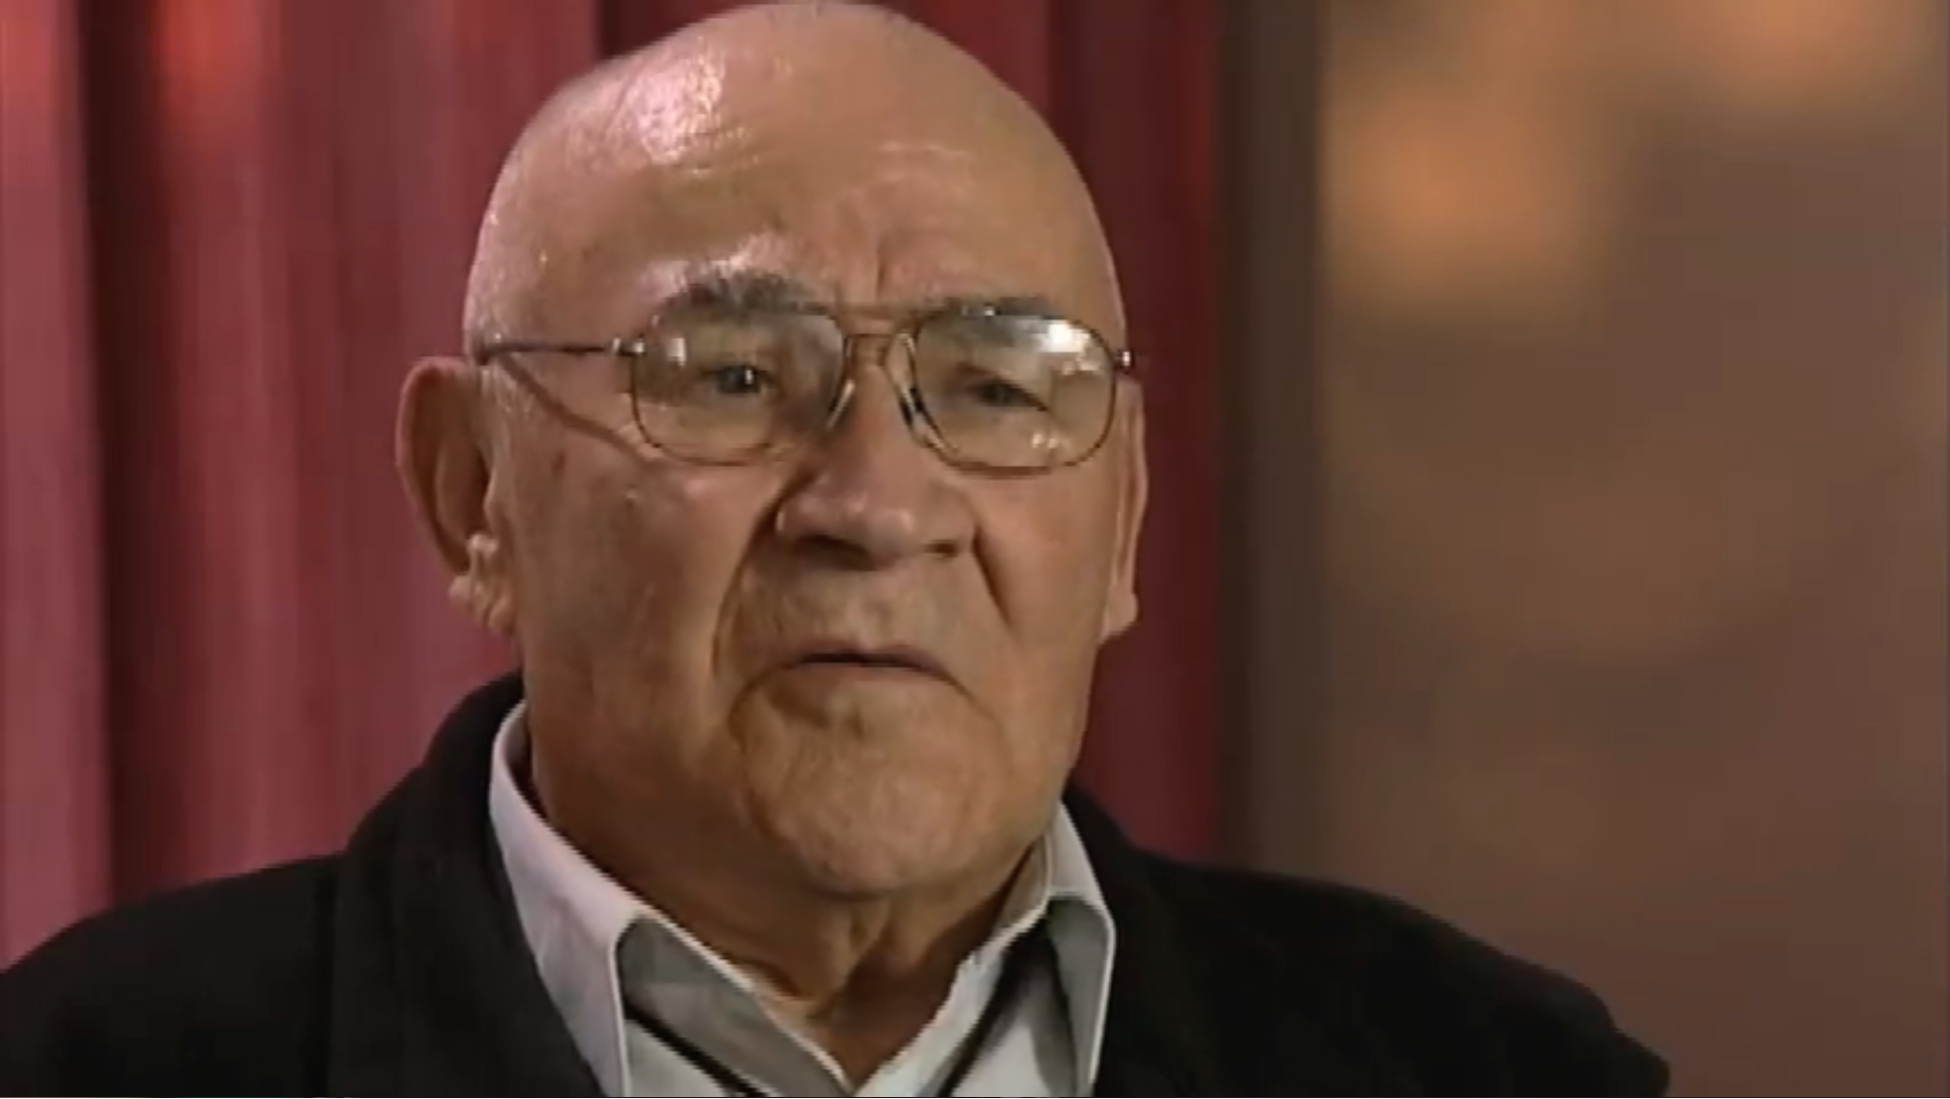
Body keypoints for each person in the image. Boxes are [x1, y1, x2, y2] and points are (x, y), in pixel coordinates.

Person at [0, 3, 1667, 1094]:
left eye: (997, 386)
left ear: (1123, 525)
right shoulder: (97, 1066)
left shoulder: (1484, 1069)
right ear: (471, 489)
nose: (874, 506)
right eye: (731, 377)